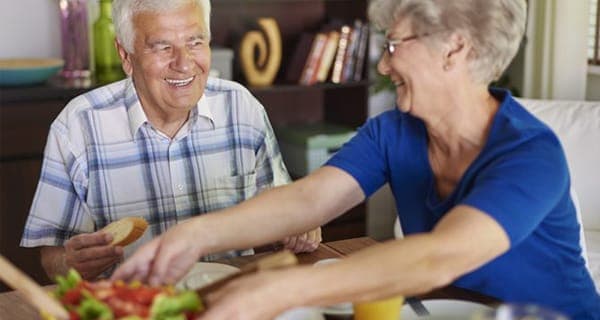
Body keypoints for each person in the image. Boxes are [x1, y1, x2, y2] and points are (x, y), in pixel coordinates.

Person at [114, 0, 600, 319]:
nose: (384, 65)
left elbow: (440, 255)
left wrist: (280, 291)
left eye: (393, 46)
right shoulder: (395, 130)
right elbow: (309, 200)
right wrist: (196, 234)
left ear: (454, 49)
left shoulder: (530, 154)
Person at [20, 0, 321, 282]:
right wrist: (72, 264)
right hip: (132, 306)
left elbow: (282, 210)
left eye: (195, 42)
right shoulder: (77, 126)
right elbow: (52, 258)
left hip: (230, 300)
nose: (184, 63)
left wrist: (300, 225)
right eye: (163, 47)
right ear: (126, 55)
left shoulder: (242, 106)